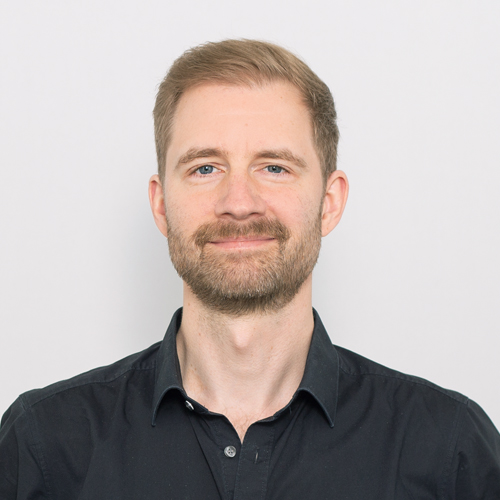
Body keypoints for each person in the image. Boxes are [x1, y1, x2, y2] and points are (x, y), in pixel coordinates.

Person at [1, 39, 499, 499]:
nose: (239, 203)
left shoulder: (448, 450)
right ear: (161, 204)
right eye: (205, 168)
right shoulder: (45, 447)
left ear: (329, 203)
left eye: (274, 167)